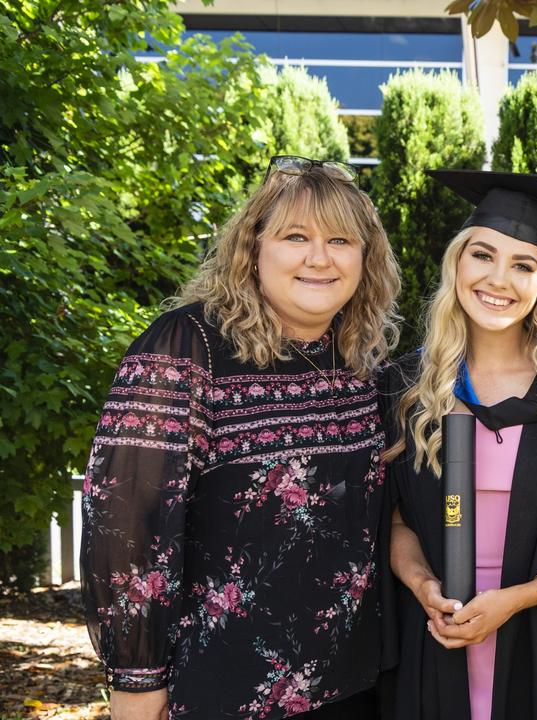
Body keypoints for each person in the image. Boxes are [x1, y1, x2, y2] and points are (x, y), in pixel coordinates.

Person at [81, 156, 401, 719]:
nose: (319, 258)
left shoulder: (364, 367)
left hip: (351, 688)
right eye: (295, 236)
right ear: (253, 248)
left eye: (341, 240)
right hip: (216, 691)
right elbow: (127, 521)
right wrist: (135, 679)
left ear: (365, 258)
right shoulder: (185, 348)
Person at [379, 170, 537, 720]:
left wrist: (514, 600)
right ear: (457, 264)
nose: (499, 280)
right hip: (433, 645)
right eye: (482, 255)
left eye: (523, 265)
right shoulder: (406, 392)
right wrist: (422, 583)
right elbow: (397, 521)